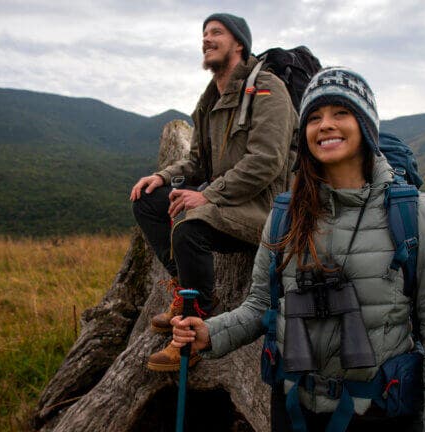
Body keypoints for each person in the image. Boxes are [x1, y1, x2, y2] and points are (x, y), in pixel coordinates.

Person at [171, 67, 425, 431]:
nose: (325, 125)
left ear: (365, 126)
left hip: (377, 415)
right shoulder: (285, 214)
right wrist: (211, 332)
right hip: (295, 410)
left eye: (340, 113)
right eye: (314, 117)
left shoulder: (413, 215)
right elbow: (260, 307)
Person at [129, 13, 297, 371]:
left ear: (239, 43)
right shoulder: (209, 100)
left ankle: (196, 313)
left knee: (189, 220)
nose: (206, 39)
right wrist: (162, 177)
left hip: (265, 211)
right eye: (204, 34)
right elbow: (197, 164)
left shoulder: (267, 89)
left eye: (216, 33)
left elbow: (266, 161)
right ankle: (184, 287)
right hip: (228, 203)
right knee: (148, 200)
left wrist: (208, 196)